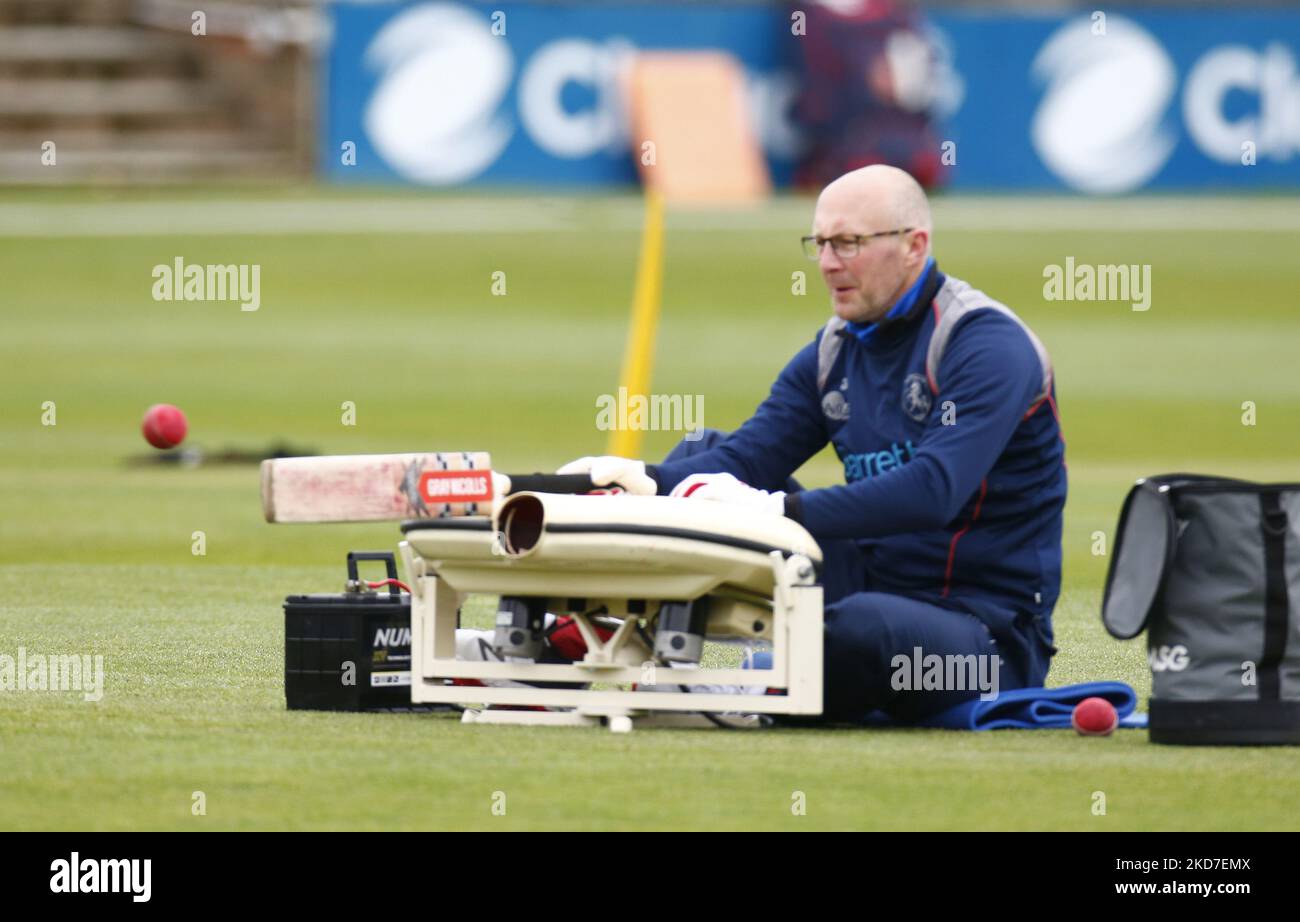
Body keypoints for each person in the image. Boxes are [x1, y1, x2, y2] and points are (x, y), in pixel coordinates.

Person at [559, 165, 1066, 723]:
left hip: (984, 642)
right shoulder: (833, 350)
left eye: (848, 243)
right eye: (820, 243)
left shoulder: (986, 345)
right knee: (698, 458)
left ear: (913, 246)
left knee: (863, 629)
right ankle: (599, 641)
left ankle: (736, 693)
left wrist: (777, 509)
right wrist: (633, 481)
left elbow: (933, 490)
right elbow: (745, 460)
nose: (827, 263)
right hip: (861, 586)